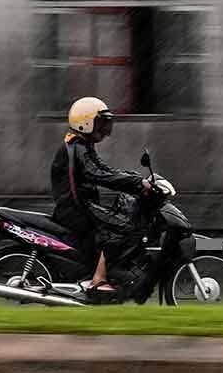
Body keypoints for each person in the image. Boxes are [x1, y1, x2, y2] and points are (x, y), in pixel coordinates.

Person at [50, 96, 151, 295]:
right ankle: (99, 280)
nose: (104, 129)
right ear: (85, 123)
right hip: (75, 209)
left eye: (106, 124)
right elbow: (96, 174)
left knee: (121, 217)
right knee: (123, 226)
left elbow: (103, 169)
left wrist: (135, 179)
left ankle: (109, 272)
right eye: (100, 123)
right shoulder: (77, 147)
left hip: (80, 205)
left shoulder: (82, 145)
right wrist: (136, 183)